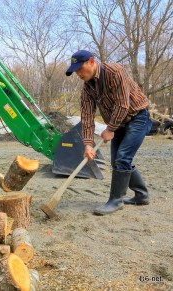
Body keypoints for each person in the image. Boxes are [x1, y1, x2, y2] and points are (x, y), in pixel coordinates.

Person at [65, 50, 152, 216]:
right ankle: (142, 195)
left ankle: (116, 200)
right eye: (75, 71)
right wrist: (88, 144)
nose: (78, 74)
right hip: (119, 122)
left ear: (91, 61)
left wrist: (110, 128)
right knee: (117, 161)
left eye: (79, 69)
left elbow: (122, 105)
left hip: (138, 116)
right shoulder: (87, 89)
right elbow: (87, 117)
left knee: (123, 158)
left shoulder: (114, 72)